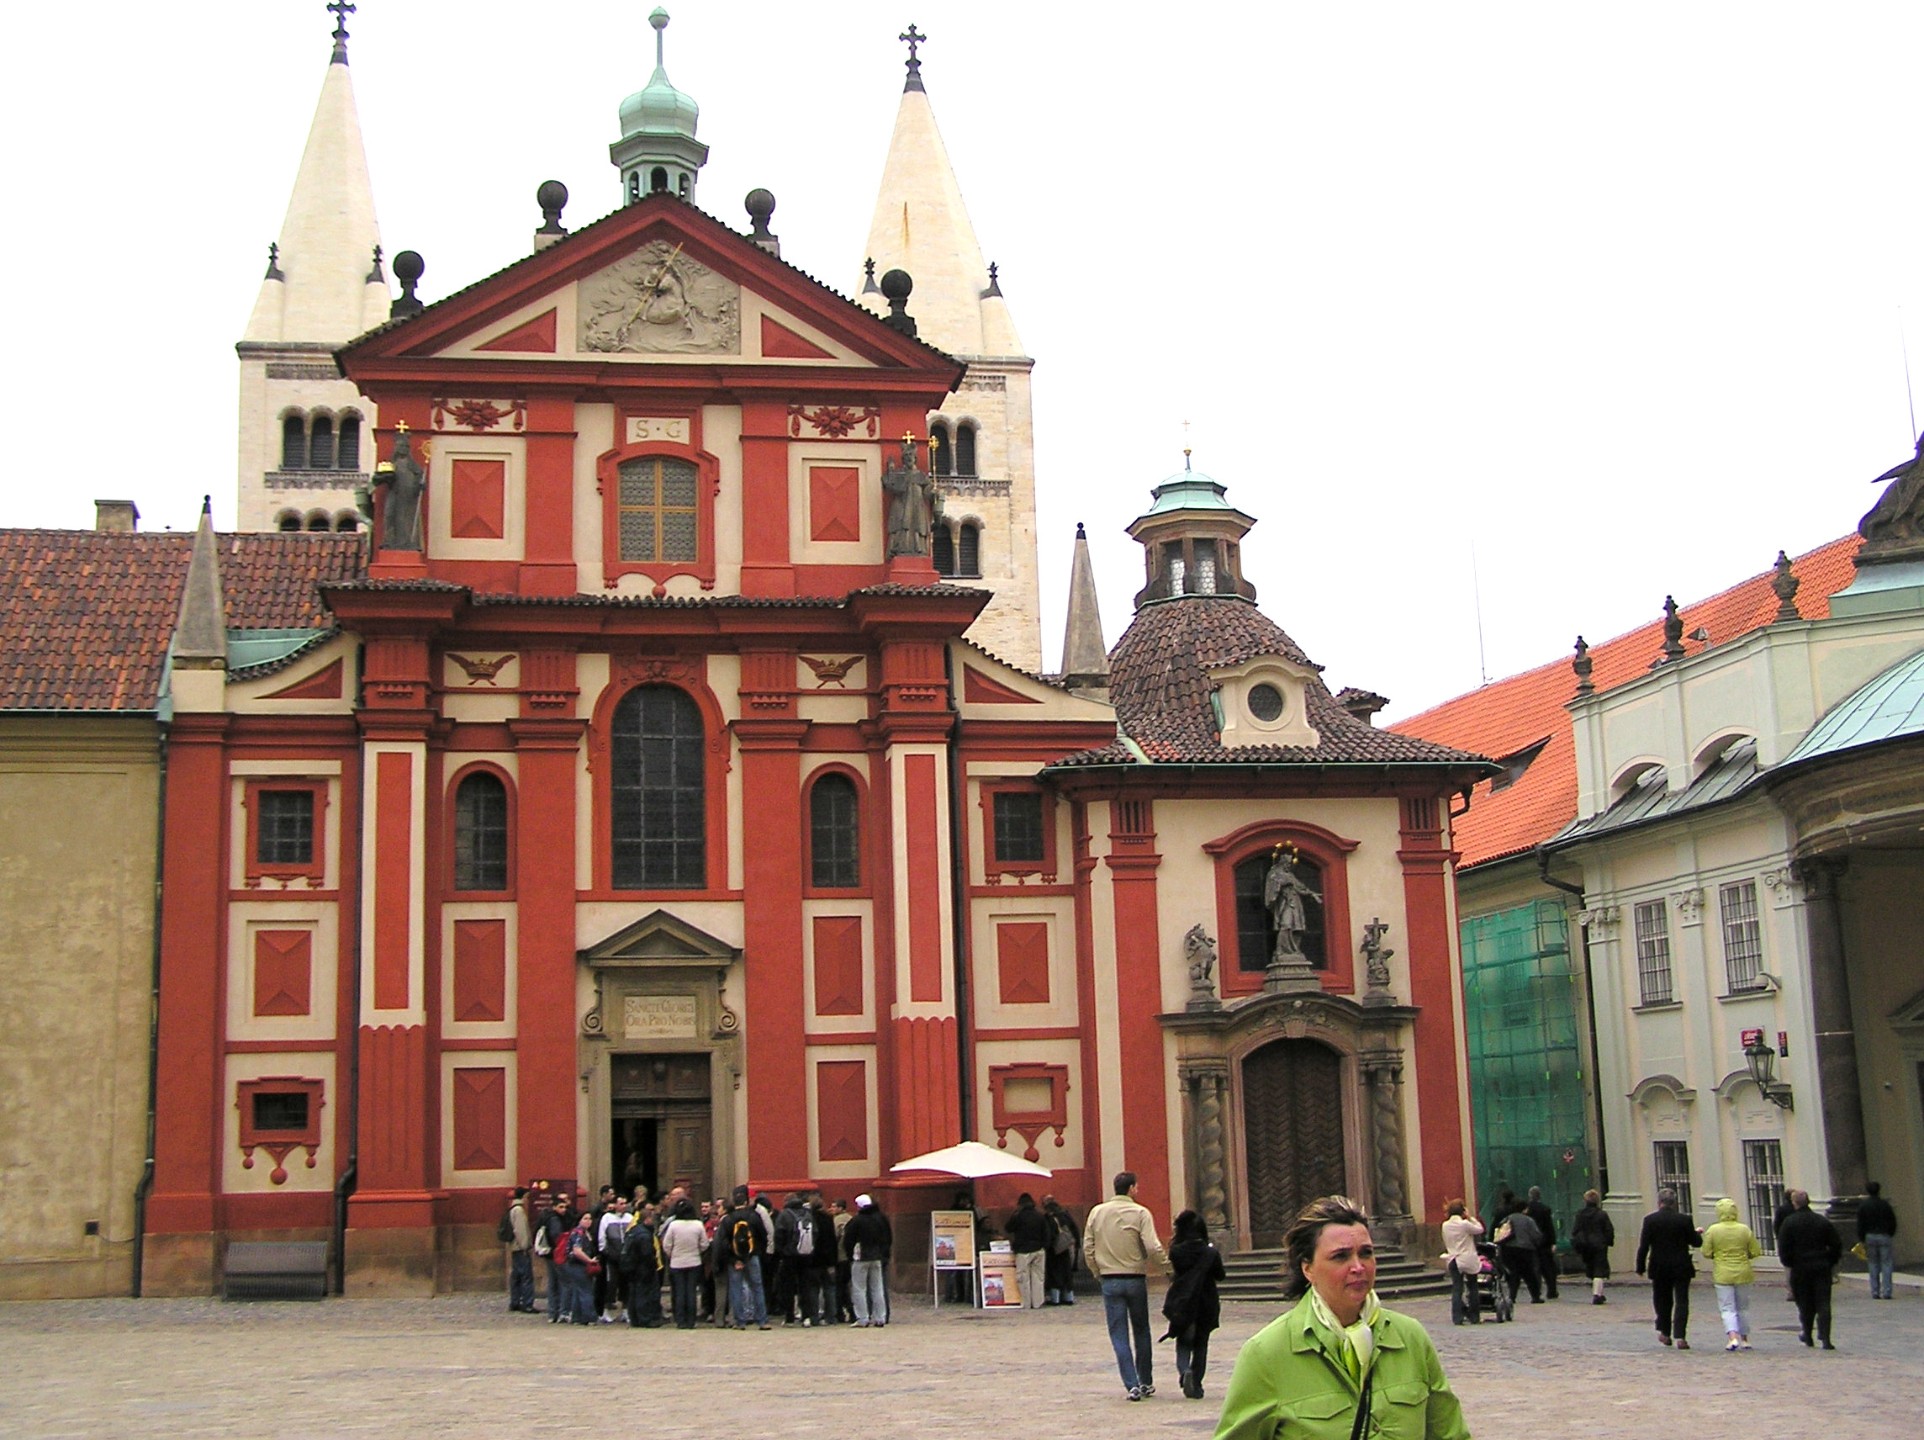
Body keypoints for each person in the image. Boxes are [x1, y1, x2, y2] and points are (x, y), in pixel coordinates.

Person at [1214, 1194, 1469, 1440]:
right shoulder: (1267, 1354)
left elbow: (1450, 1434)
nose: (1358, 1267)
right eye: (1340, 1256)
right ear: (1308, 1268)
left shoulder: (1410, 1338)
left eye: (1366, 1253)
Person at [1084, 1170, 1172, 1401]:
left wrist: (1097, 1272)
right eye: (1136, 1187)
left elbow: (1088, 1247)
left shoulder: (1097, 1212)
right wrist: (1167, 1268)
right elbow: (1152, 1246)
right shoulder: (1140, 1213)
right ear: (1131, 1188)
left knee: (1118, 1334)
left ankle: (1131, 1384)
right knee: (1141, 1330)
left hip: (1110, 1279)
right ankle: (1146, 1381)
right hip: (1134, 1278)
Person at [1161, 1210, 1225, 1400]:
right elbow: (1220, 1275)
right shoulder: (1210, 1253)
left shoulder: (1176, 1252)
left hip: (1184, 1302)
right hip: (1206, 1302)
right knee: (1201, 1344)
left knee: (1183, 1342)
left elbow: (1177, 1272)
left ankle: (1185, 1371)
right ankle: (1196, 1383)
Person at [1635, 1187, 1702, 1349]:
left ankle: (1665, 1332)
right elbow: (1696, 1242)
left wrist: (1640, 1266)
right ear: (1675, 1203)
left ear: (1659, 1202)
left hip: (1659, 1266)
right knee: (1682, 1301)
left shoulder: (1650, 1220)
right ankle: (1680, 1336)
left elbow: (1644, 1245)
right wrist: (1697, 1233)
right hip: (1681, 1265)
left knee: (1662, 1300)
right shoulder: (1684, 1220)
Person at [1777, 1189, 1843, 1349]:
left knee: (1804, 1302)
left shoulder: (1789, 1223)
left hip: (1800, 1267)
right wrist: (1830, 1261)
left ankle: (1807, 1334)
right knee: (1823, 1302)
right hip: (1821, 1266)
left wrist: (1789, 1263)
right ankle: (1826, 1338)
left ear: (1794, 1203)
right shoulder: (1821, 1221)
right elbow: (1836, 1244)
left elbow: (1783, 1247)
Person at [1701, 1195, 1762, 1351]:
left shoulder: (1713, 1230)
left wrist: (1717, 1255)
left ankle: (1732, 1337)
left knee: (1727, 1308)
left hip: (1722, 1273)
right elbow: (1755, 1251)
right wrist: (1745, 1256)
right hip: (1743, 1272)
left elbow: (1706, 1252)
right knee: (1743, 1308)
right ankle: (1745, 1339)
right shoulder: (1744, 1229)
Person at [720, 1186, 770, 1330]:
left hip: (735, 1260)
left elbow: (724, 1242)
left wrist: (734, 1259)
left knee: (736, 1289)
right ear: (746, 1202)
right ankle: (762, 1320)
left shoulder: (728, 1219)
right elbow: (763, 1236)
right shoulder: (754, 1216)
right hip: (752, 1256)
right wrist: (757, 1252)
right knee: (757, 1288)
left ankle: (740, 1321)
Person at [661, 1197, 710, 1329]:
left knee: (680, 1292)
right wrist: (697, 1251)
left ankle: (681, 1320)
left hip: (677, 1262)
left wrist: (672, 1254)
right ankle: (691, 1320)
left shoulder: (674, 1225)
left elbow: (666, 1244)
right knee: (691, 1292)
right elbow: (705, 1244)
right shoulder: (698, 1224)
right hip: (694, 1261)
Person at [846, 1192, 893, 1327]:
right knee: (877, 1288)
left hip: (860, 1256)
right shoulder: (880, 1218)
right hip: (877, 1256)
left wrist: (850, 1255)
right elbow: (888, 1237)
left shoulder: (857, 1220)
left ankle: (863, 1318)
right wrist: (884, 1254)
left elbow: (848, 1240)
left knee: (859, 1288)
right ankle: (880, 1317)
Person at [1439, 1199, 1484, 1325]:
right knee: (1473, 1287)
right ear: (1462, 1211)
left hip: (1453, 1258)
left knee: (1457, 1288)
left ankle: (1457, 1317)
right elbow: (1480, 1229)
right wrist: (1470, 1217)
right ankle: (1474, 1316)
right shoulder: (1464, 1224)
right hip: (1467, 1258)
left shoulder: (1445, 1225)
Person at [1569, 1189, 1615, 1305]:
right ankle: (1597, 1294)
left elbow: (1575, 1230)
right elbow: (1609, 1230)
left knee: (1591, 1269)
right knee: (1599, 1270)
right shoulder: (1602, 1214)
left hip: (1585, 1245)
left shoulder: (1580, 1214)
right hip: (1599, 1244)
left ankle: (1598, 1292)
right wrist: (1608, 1241)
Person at [1006, 1192, 1050, 1310]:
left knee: (1022, 1277)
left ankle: (1026, 1303)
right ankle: (1037, 1303)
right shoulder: (1040, 1216)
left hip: (1023, 1250)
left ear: (1020, 1204)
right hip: (1039, 1249)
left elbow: (1008, 1228)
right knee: (1038, 1277)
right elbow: (1047, 1233)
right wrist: (1044, 1246)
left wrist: (1014, 1213)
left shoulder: (1018, 1216)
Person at [620, 1205, 662, 1327]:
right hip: (643, 1268)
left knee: (633, 1293)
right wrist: (653, 1265)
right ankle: (645, 1319)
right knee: (644, 1294)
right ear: (647, 1219)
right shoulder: (644, 1234)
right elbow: (647, 1254)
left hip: (632, 1267)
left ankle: (635, 1318)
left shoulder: (632, 1231)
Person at [1857, 1180, 1899, 1300]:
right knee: (1886, 1263)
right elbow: (1892, 1221)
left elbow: (1860, 1223)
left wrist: (1862, 1238)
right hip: (1884, 1235)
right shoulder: (1885, 1205)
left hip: (1870, 1236)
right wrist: (1890, 1233)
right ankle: (1887, 1291)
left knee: (1873, 1264)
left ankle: (1875, 1291)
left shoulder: (1864, 1206)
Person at [1496, 1198, 1542, 1305]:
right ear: (1524, 1209)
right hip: (1525, 1249)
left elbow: (1500, 1232)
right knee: (1529, 1274)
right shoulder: (1528, 1220)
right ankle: (1535, 1296)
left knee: (1513, 1273)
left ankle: (1512, 1296)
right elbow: (1536, 1235)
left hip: (1509, 1249)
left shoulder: (1507, 1219)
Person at [540, 1192, 576, 1323]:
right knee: (564, 1282)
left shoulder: (548, 1216)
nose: (564, 1209)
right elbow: (557, 1237)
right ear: (554, 1207)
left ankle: (552, 1313)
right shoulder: (555, 1219)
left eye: (565, 1206)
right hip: (557, 1254)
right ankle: (563, 1311)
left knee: (553, 1283)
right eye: (561, 1207)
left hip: (550, 1254)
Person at [596, 1194, 631, 1323]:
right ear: (615, 1205)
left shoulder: (629, 1217)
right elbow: (602, 1237)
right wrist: (605, 1251)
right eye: (621, 1203)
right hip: (612, 1257)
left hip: (626, 1257)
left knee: (626, 1284)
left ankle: (625, 1311)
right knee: (611, 1284)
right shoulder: (607, 1218)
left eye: (625, 1203)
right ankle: (605, 1311)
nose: (624, 1206)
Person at [560, 1211, 599, 1326]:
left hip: (579, 1265)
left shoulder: (586, 1233)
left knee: (578, 1291)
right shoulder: (578, 1233)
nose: (588, 1221)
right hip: (577, 1265)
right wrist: (589, 1260)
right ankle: (590, 1317)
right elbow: (577, 1251)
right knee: (586, 1291)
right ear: (579, 1220)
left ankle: (577, 1317)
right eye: (585, 1218)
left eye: (590, 1219)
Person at [1043, 1195, 1081, 1305]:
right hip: (1067, 1247)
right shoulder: (1065, 1214)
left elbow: (1048, 1234)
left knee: (1054, 1273)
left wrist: (1047, 1246)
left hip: (1054, 1250)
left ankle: (1055, 1298)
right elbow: (1074, 1229)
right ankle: (1069, 1297)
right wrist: (1077, 1244)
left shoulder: (1047, 1218)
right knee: (1067, 1273)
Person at [505, 1186, 535, 1313]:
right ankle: (527, 1304)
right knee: (526, 1276)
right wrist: (525, 1246)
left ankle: (515, 1301)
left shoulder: (513, 1208)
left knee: (516, 1275)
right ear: (523, 1197)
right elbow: (520, 1230)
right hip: (520, 1248)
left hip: (515, 1247)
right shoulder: (519, 1210)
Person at [1525, 1186, 1559, 1299]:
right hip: (1544, 1242)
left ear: (1530, 1196)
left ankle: (1537, 1291)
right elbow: (1549, 1227)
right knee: (1548, 1267)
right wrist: (1553, 1242)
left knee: (1534, 1268)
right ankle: (1552, 1290)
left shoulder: (1526, 1210)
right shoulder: (1545, 1209)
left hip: (1530, 1241)